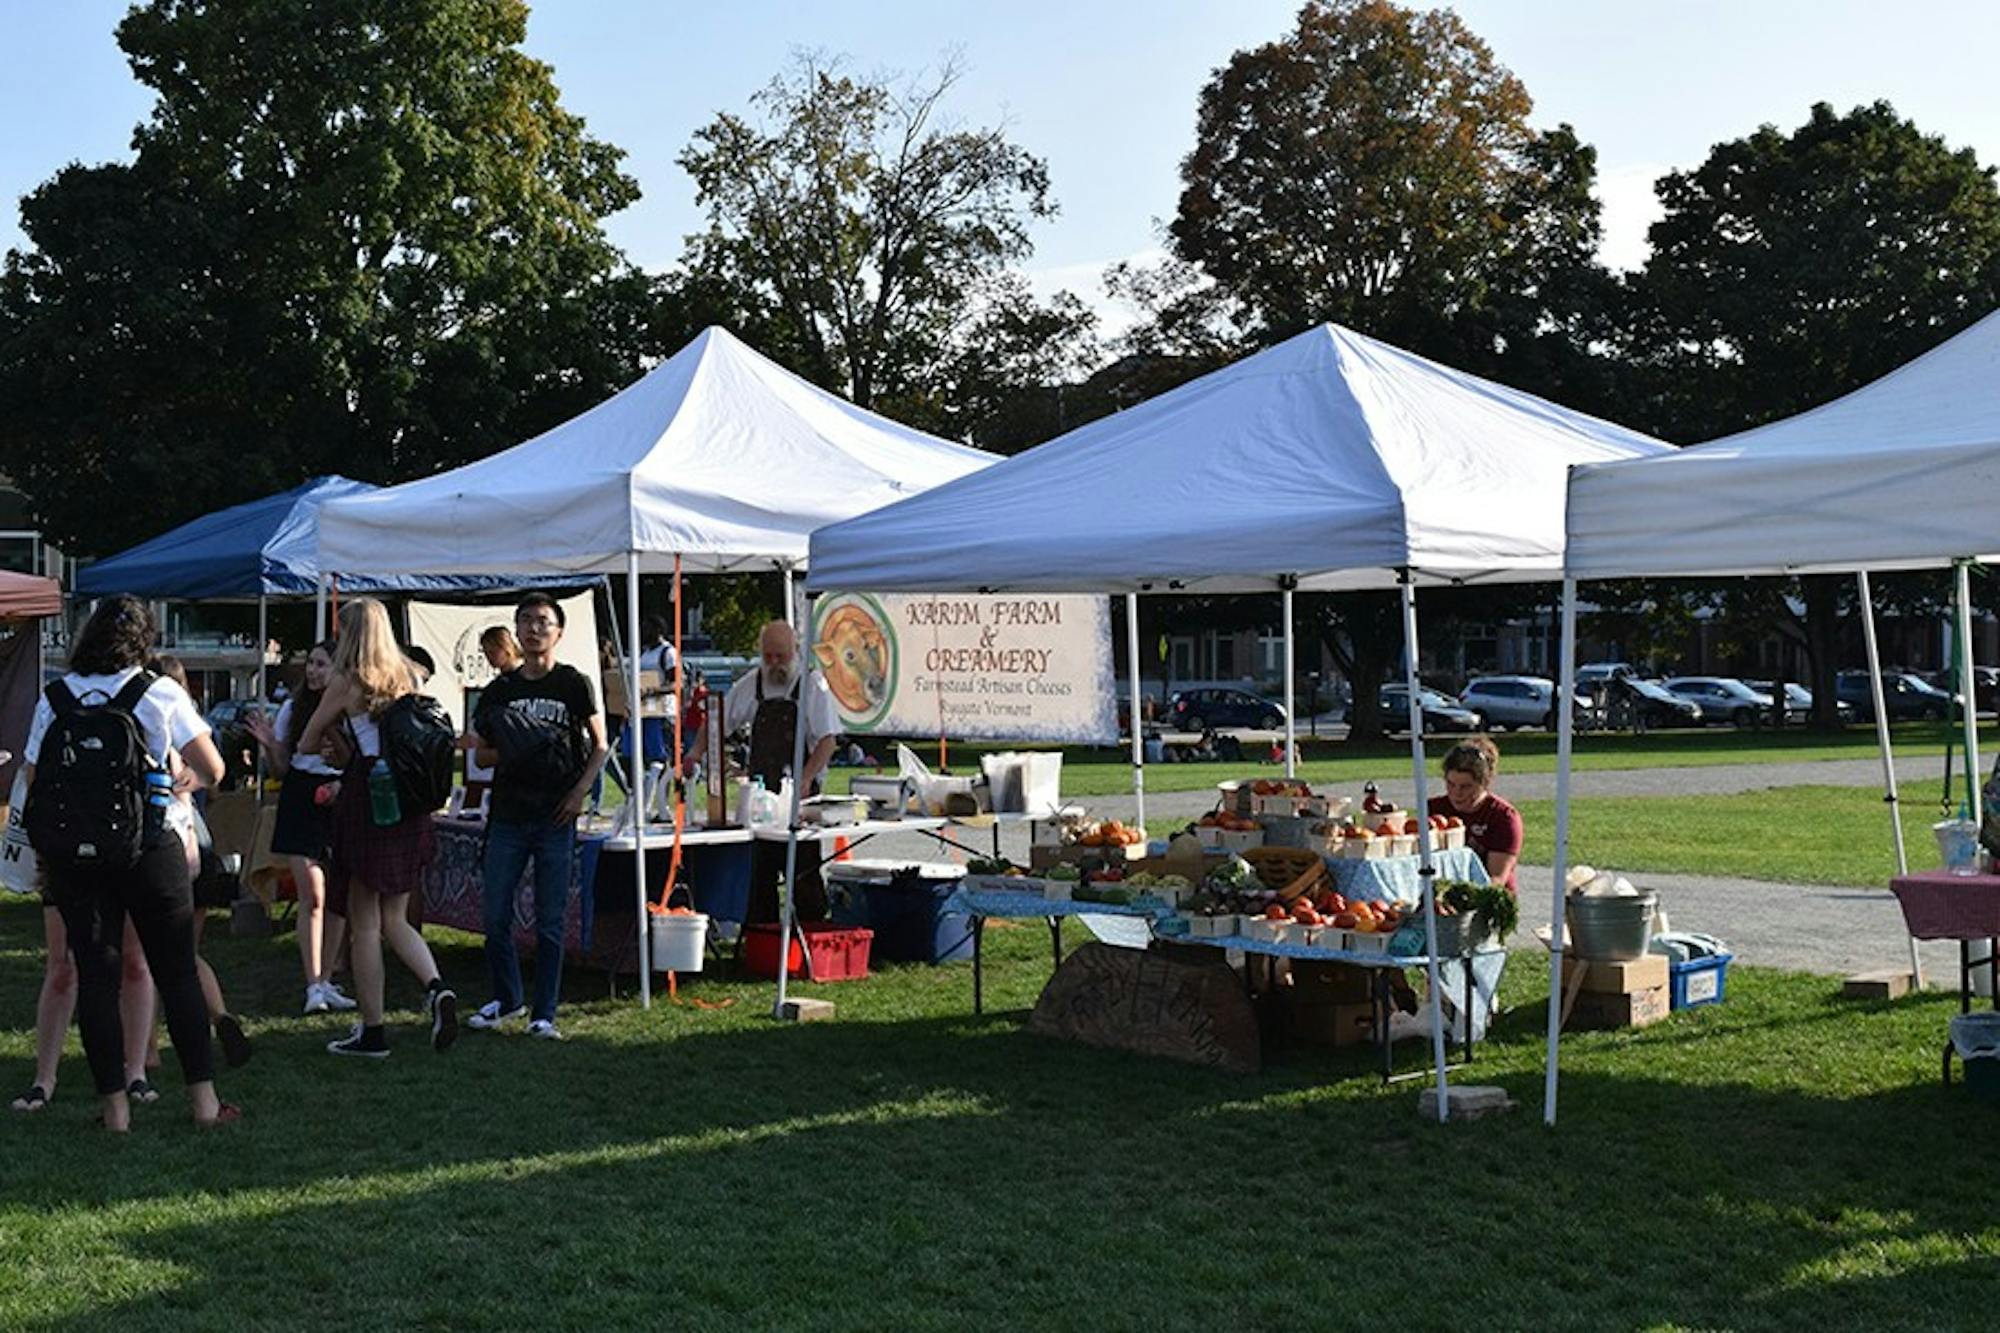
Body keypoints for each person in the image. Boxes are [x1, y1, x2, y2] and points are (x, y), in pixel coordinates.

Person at [18, 595, 237, 1130]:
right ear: (145, 640)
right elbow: (213, 767)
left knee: (96, 977)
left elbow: (30, 777)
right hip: (150, 846)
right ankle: (205, 1104)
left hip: (78, 857)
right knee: (177, 972)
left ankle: (114, 1110)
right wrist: (174, 781)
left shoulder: (56, 696)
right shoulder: (159, 692)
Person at [299, 598, 457, 1058]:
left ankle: (373, 1030)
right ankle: (437, 987)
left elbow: (308, 740)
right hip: (407, 801)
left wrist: (334, 738)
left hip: (368, 799)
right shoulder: (409, 674)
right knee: (397, 916)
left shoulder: (347, 681)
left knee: (365, 924)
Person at [465, 593, 609, 1040]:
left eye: (543, 622)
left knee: (550, 920)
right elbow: (480, 755)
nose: (534, 629)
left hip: (556, 817)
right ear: (516, 630)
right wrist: (512, 746)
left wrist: (580, 792)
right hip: (508, 814)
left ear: (559, 632)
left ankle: (544, 1013)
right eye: (526, 621)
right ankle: (508, 998)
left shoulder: (573, 684)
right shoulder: (501, 691)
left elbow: (601, 744)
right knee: (494, 917)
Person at [148, 655, 253, 1069]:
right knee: (186, 953)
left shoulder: (158, 731)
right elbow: (210, 777)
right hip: (202, 844)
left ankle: (148, 1049)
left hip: (173, 849)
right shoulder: (197, 736)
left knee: (148, 957)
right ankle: (221, 1016)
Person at [244, 640, 357, 1015]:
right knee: (314, 892)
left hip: (340, 796)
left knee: (338, 896)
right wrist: (269, 746)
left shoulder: (352, 709)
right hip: (300, 798)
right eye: (310, 663)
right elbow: (282, 769)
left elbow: (356, 759)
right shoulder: (294, 708)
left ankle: (327, 980)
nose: (312, 671)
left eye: (322, 665)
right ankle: (313, 985)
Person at [725, 620, 841, 924]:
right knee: (758, 873)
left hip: (799, 800)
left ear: (795, 651)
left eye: (781, 656)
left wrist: (805, 778)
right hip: (761, 799)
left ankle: (811, 936)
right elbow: (719, 720)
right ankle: (762, 938)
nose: (774, 663)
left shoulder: (813, 684)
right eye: (768, 656)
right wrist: (699, 752)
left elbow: (828, 741)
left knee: (803, 874)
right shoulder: (750, 684)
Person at [1427, 740, 1522, 892]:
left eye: (1466, 786)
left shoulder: (1503, 817)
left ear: (1484, 783)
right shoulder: (1432, 809)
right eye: (1450, 784)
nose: (1457, 792)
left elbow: (1496, 878)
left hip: (1485, 901)